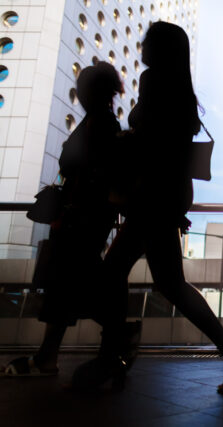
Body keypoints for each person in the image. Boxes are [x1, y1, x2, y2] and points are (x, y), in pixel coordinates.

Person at [71, 22, 223, 392]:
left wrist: (129, 149)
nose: (141, 43)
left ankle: (112, 355)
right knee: (169, 283)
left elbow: (153, 145)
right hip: (164, 195)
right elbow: (171, 150)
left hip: (150, 196)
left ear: (158, 48)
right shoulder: (181, 90)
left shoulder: (153, 80)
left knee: (116, 273)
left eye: (147, 39)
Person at [1, 63, 129, 377]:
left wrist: (69, 207)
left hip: (79, 220)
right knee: (71, 286)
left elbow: (92, 175)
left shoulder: (99, 126)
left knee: (67, 284)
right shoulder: (102, 123)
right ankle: (56, 354)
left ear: (91, 92)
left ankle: (115, 338)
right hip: (85, 219)